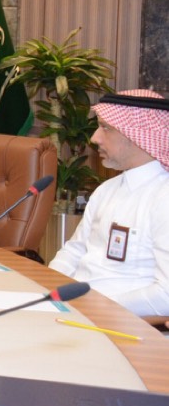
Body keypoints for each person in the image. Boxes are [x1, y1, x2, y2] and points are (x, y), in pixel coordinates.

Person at [50, 90, 169, 317]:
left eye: (106, 128)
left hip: (122, 324)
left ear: (136, 134)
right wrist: (48, 288)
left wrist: (98, 307)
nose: (95, 138)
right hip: (76, 312)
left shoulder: (163, 199)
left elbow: (166, 295)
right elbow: (74, 251)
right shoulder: (106, 189)